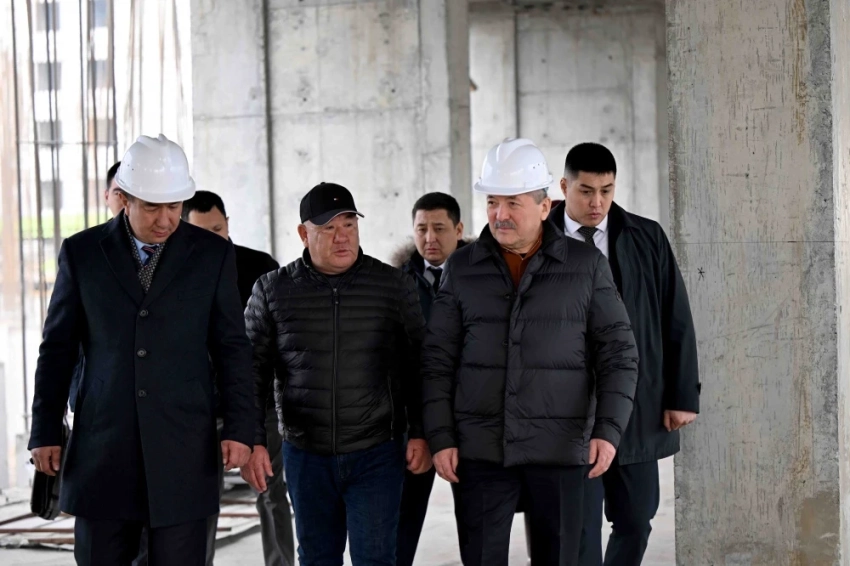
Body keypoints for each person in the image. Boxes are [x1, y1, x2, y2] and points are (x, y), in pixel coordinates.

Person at [28, 134, 255, 566]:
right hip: (103, 449)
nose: (166, 220)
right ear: (124, 198)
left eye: (174, 206)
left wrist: (241, 428)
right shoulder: (82, 253)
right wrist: (45, 430)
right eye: (152, 207)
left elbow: (232, 347)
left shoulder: (211, 255)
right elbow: (57, 348)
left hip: (183, 449)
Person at [421, 138, 639, 566]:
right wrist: (441, 436)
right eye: (492, 202)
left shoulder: (585, 265)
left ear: (544, 206)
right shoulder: (462, 268)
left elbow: (618, 354)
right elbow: (437, 360)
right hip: (481, 451)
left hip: (560, 449)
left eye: (513, 203)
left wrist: (608, 430)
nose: (499, 214)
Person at [241, 182, 432, 565]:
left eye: (349, 224)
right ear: (304, 233)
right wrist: (252, 440)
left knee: (375, 558)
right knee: (316, 557)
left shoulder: (392, 286)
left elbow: (419, 366)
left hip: (377, 452)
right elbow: (251, 373)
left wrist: (422, 433)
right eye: (328, 228)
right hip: (306, 454)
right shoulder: (273, 290)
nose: (342, 236)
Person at [548, 143, 700, 566]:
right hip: (565, 409)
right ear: (564, 187)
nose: (596, 203)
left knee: (636, 518)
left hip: (635, 400)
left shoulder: (645, 236)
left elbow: (675, 315)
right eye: (585, 191)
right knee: (578, 529)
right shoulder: (538, 239)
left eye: (606, 191)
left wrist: (682, 394)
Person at [182, 190, 294, 566]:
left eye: (217, 229)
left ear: (228, 223)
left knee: (271, 490)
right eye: (202, 232)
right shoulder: (174, 271)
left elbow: (280, 336)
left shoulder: (259, 266)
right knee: (200, 501)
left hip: (258, 402)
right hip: (198, 406)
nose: (212, 239)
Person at [390, 192, 466, 566]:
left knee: (479, 528)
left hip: (469, 422)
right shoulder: (396, 284)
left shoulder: (482, 278)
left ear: (459, 229)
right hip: (414, 424)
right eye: (422, 229)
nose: (430, 238)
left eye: (439, 228)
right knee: (400, 527)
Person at [68, 161, 124, 412]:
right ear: (106, 196)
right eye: (119, 194)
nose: (125, 201)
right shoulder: (83, 251)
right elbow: (61, 339)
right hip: (96, 394)